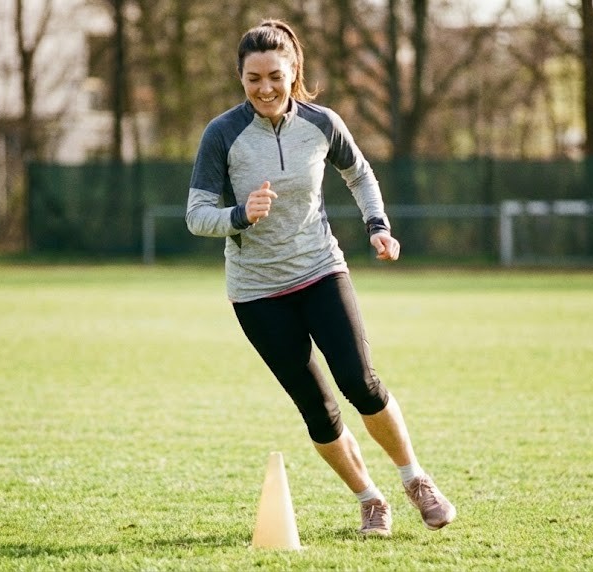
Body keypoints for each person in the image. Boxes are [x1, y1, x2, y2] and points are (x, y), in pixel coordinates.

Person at [185, 18, 456, 537]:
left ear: (294, 72)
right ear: (240, 79)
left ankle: (415, 479)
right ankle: (369, 499)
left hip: (320, 269)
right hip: (257, 292)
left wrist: (377, 225)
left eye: (274, 76)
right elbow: (197, 215)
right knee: (317, 407)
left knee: (360, 381)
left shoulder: (323, 122)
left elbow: (359, 172)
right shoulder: (222, 134)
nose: (265, 88)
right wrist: (240, 214)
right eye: (252, 78)